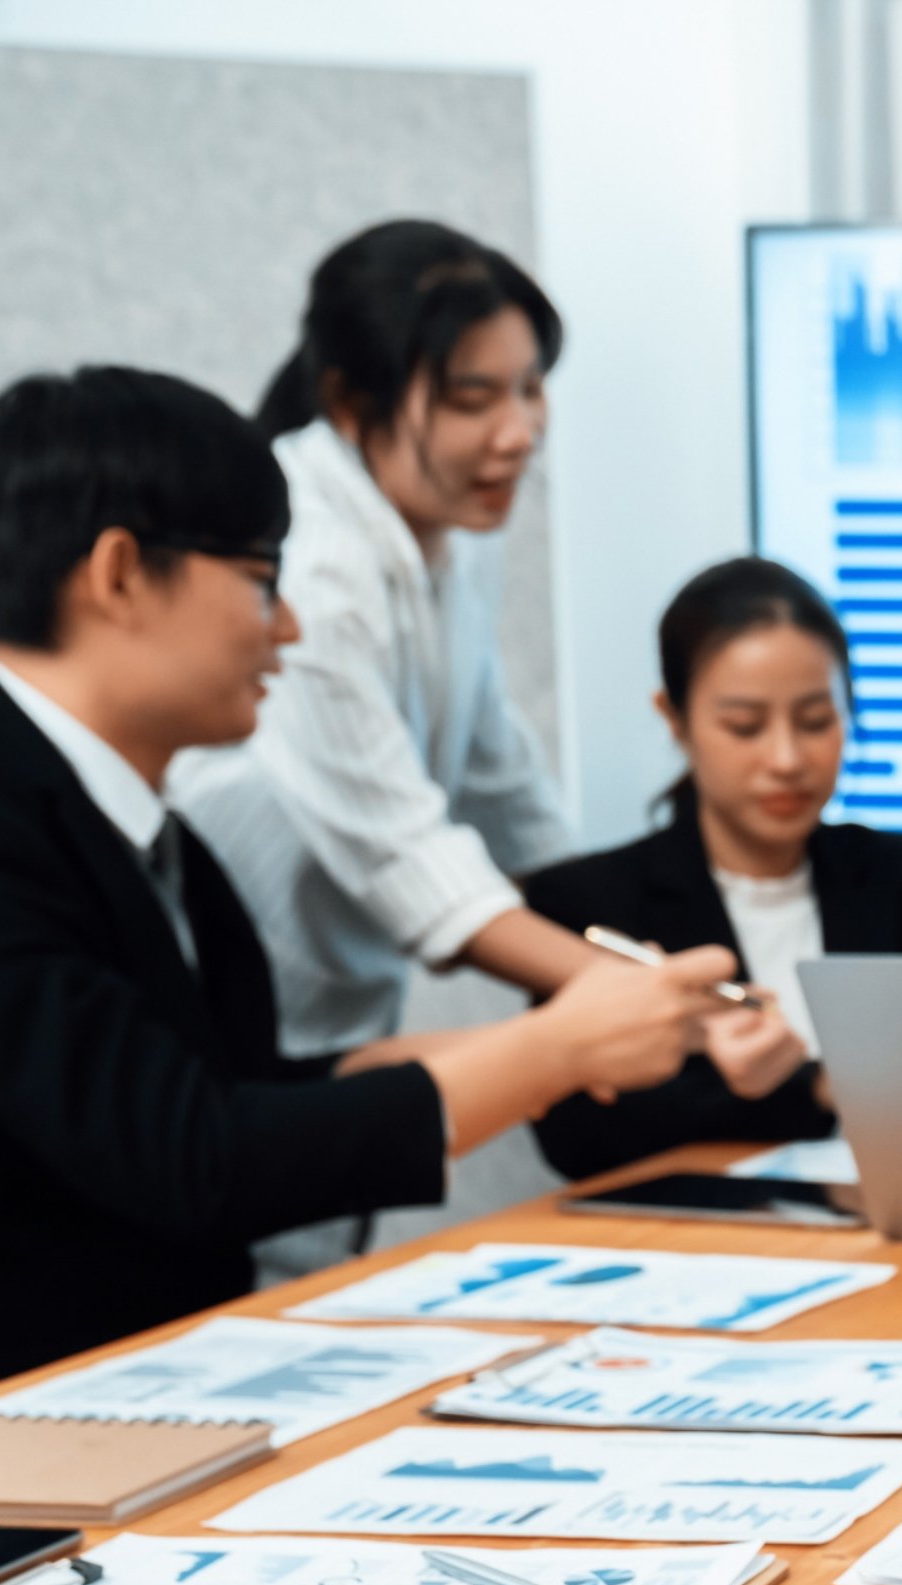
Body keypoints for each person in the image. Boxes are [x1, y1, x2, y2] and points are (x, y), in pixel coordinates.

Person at [0, 368, 738, 1434]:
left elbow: (222, 1092)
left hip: (121, 1415)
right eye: (259, 580)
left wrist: (452, 1062)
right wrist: (556, 1052)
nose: (287, 628)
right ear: (121, 575)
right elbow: (192, 1156)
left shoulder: (119, 817)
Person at [170, 218, 600, 1060]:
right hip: (227, 1006)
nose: (519, 433)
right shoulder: (313, 565)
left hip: (338, 994)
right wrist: (616, 990)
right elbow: (405, 857)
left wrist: (635, 941)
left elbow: (502, 782)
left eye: (532, 387)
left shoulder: (457, 532)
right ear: (349, 403)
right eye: (474, 399)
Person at [521, 558, 902, 1179]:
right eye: (744, 727)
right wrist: (813, 1089)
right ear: (674, 718)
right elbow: (580, 1140)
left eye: (816, 721)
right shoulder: (589, 899)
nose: (785, 759)